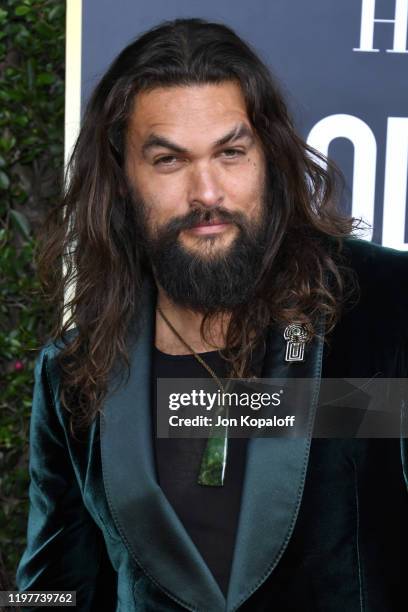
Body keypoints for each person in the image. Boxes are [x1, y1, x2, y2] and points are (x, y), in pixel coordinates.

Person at [16, 17, 408, 612]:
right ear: (122, 180)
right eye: (169, 161)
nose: (207, 192)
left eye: (230, 152)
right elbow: (56, 591)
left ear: (269, 158)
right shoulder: (74, 372)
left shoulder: (384, 306)